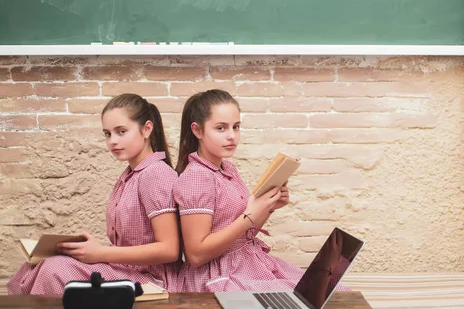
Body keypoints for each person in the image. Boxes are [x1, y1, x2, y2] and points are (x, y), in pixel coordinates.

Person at [7, 94, 181, 295]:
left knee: (53, 269)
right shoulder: (129, 176)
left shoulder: (156, 174)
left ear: (147, 129)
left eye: (121, 132)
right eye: (107, 134)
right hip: (125, 269)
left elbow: (170, 249)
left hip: (152, 278)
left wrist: (101, 253)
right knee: (33, 266)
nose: (113, 141)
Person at [173, 89, 305, 292]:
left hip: (246, 262)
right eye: (221, 128)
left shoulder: (228, 168)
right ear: (197, 130)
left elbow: (244, 233)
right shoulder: (196, 178)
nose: (232, 136)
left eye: (236, 127)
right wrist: (249, 216)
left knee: (322, 292)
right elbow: (196, 255)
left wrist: (269, 207)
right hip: (217, 275)